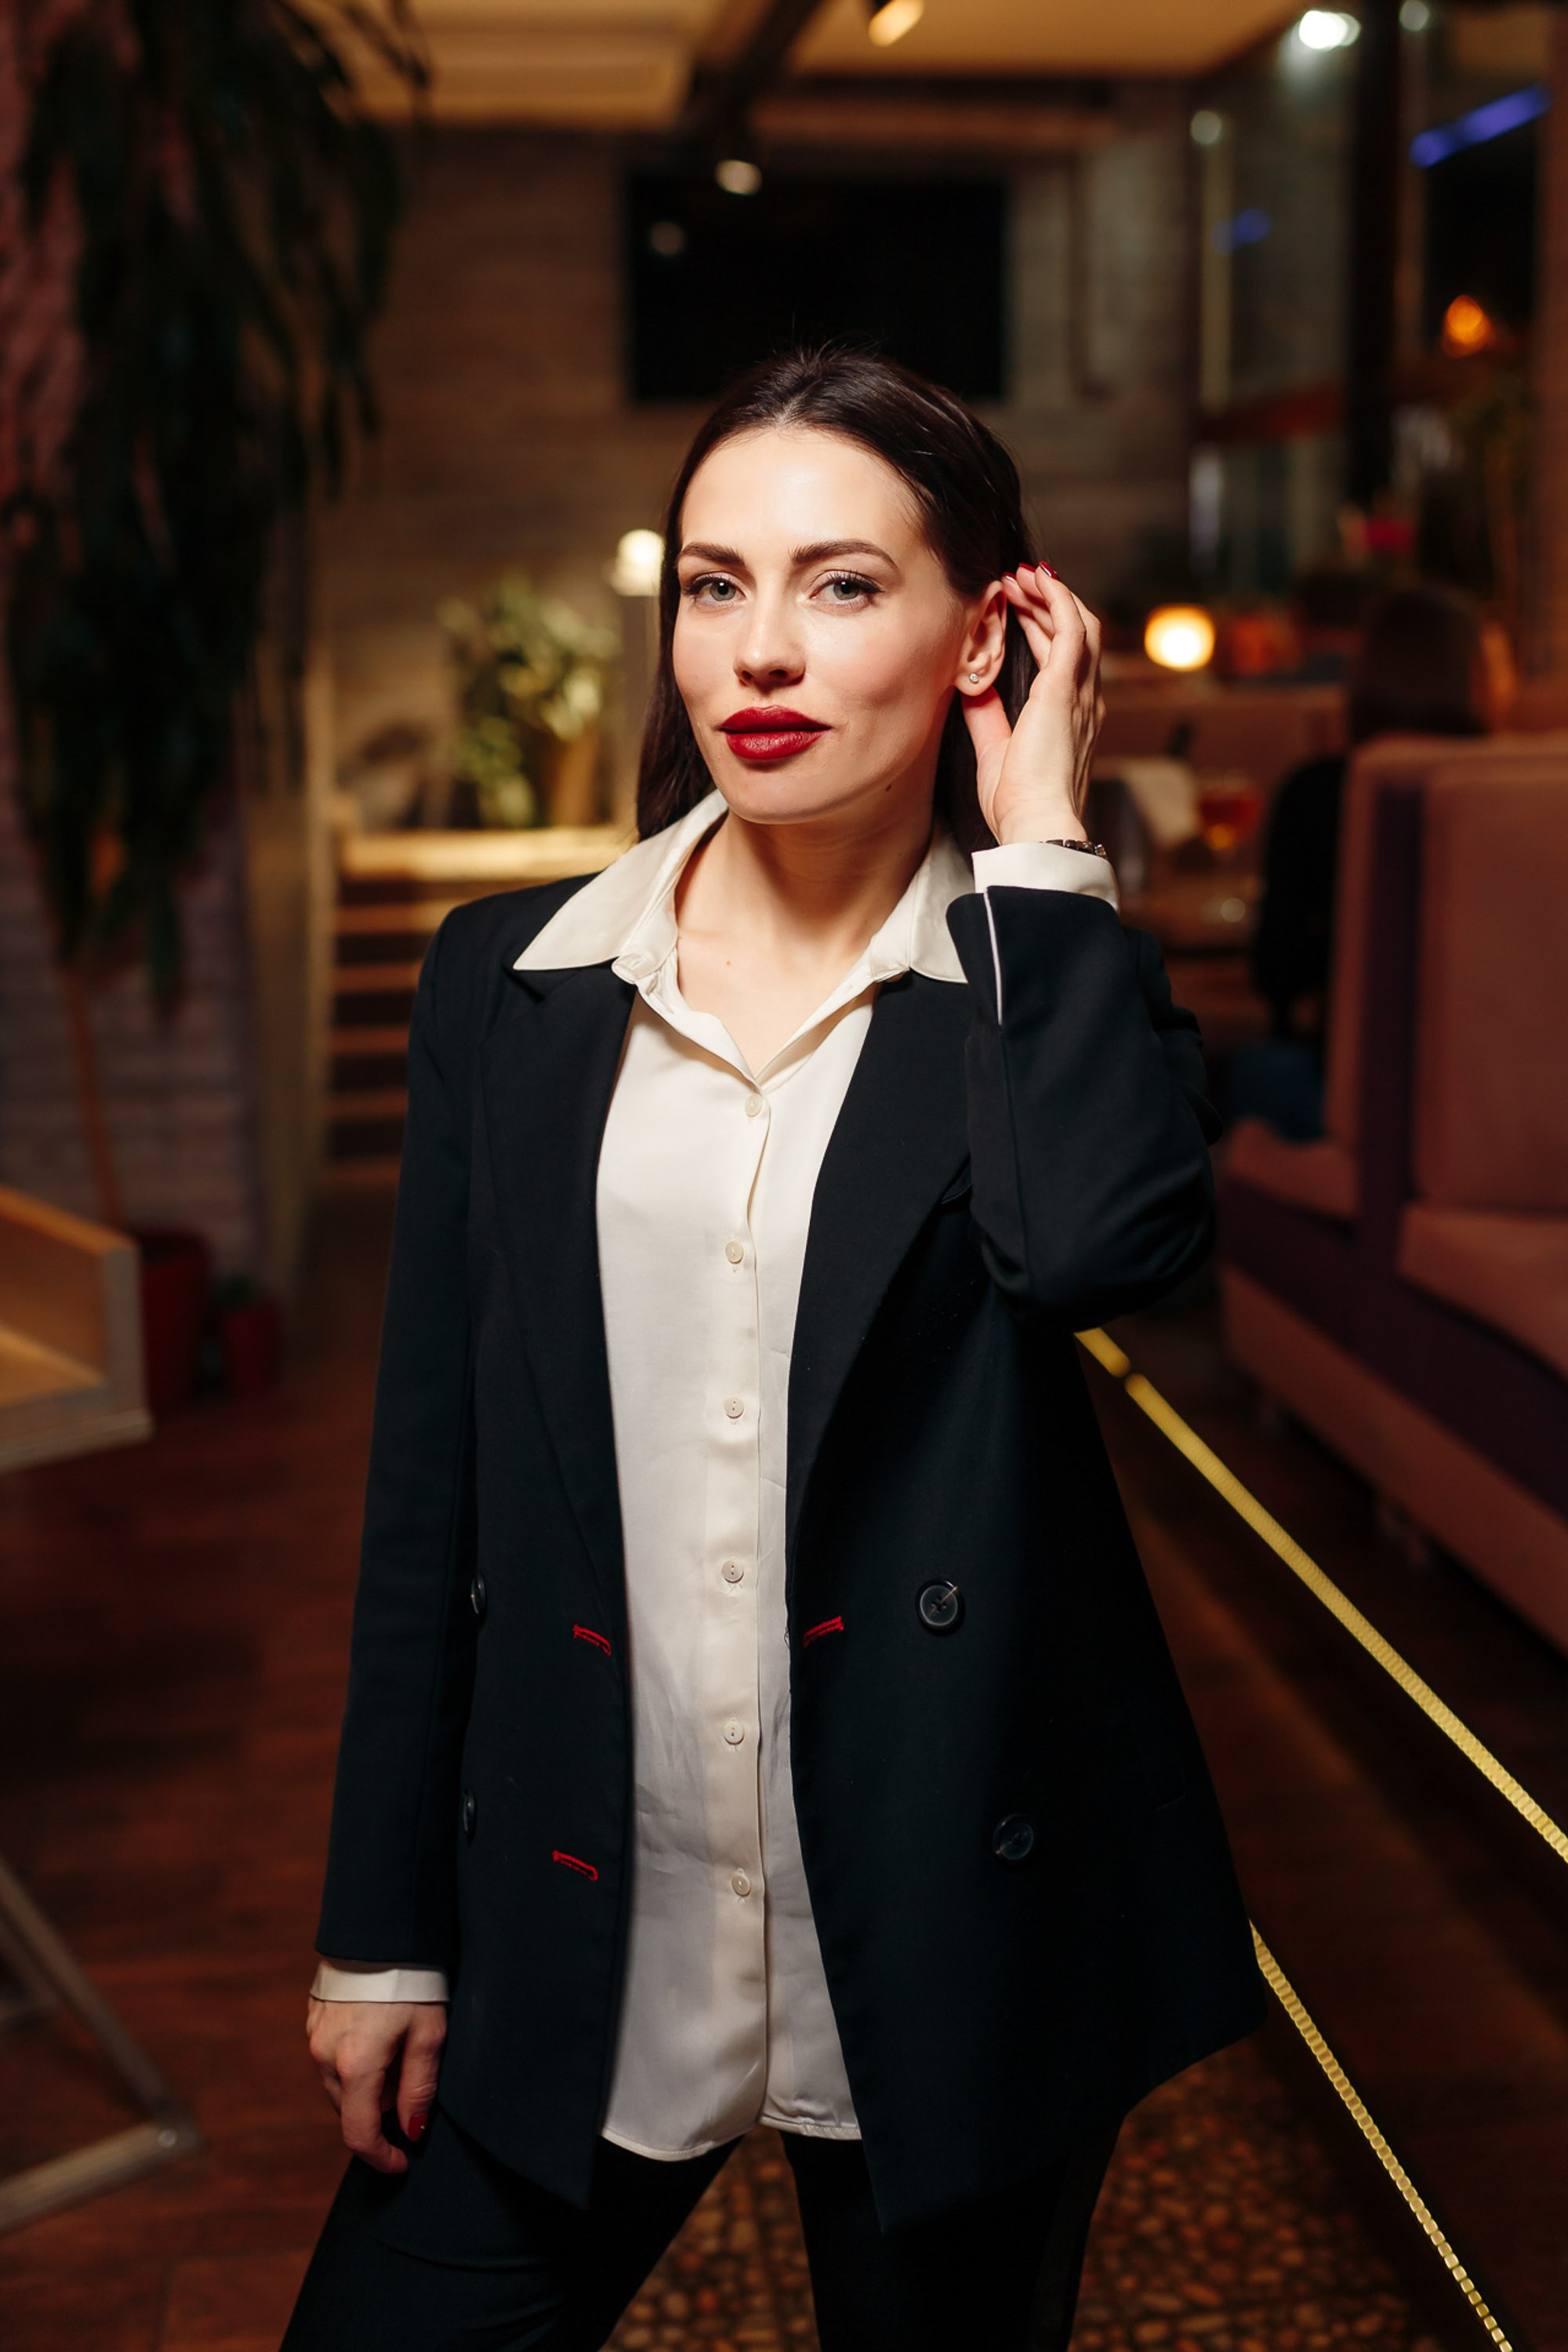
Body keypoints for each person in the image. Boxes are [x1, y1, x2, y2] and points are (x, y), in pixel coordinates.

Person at [283, 348, 1263, 2352]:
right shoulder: (516, 978)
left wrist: (1042, 830)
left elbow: (1093, 1251)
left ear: (985, 628)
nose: (758, 648)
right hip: (579, 1902)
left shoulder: (1039, 979)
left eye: (838, 584)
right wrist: (381, 1926)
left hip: (942, 1918)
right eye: (713, 584)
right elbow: (430, 1487)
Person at [1251, 581, 1501, 1057]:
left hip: (1347, 1066)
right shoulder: (1508, 796)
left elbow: (1275, 974)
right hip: (1500, 1059)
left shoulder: (1315, 790)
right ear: (1476, 676)